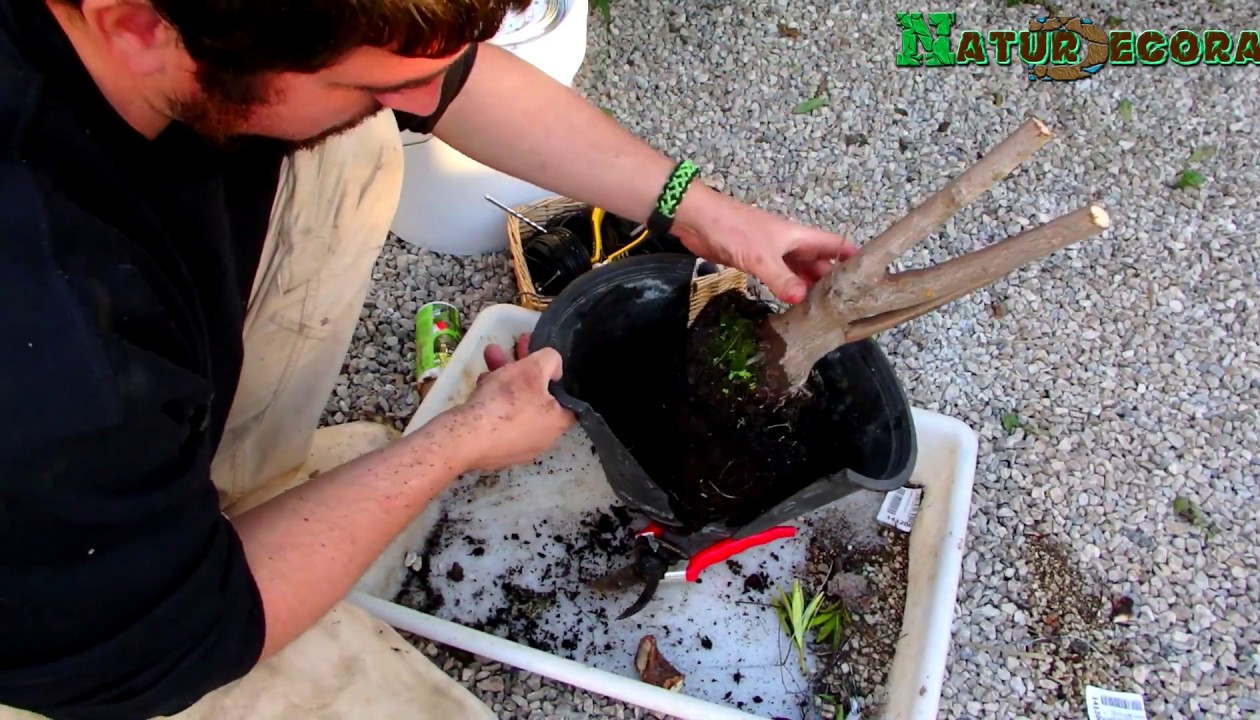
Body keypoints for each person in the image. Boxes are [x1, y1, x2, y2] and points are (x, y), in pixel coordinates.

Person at [0, 1, 856, 718]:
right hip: (89, 639)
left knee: (351, 143)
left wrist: (702, 211)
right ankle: (200, 527)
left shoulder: (208, 27)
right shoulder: (59, 348)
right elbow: (166, 645)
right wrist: (457, 442)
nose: (423, 100)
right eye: (381, 83)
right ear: (141, 25)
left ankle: (237, 487)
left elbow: (448, 76)